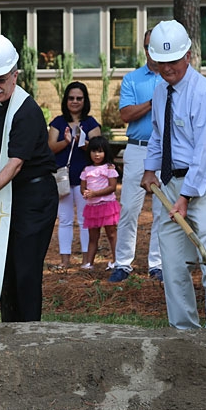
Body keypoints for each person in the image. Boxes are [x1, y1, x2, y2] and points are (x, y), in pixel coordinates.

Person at [140, 20, 206, 330]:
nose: (167, 68)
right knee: (172, 262)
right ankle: (184, 332)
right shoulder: (159, 91)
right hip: (170, 184)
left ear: (189, 56)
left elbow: (205, 154)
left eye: (174, 61)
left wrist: (185, 198)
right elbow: (158, 135)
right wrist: (150, 170)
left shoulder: (205, 94)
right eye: (161, 62)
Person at [0, 35, 58, 322]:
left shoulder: (26, 111)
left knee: (26, 269)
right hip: (9, 194)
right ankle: (9, 329)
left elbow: (15, 163)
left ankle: (29, 332)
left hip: (34, 197)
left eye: (1, 79)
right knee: (4, 265)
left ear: (15, 75)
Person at [109, 29, 165, 283]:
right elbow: (126, 115)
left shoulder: (173, 78)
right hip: (137, 147)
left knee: (162, 209)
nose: (150, 52)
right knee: (130, 208)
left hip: (166, 150)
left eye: (154, 47)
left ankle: (158, 264)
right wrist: (153, 103)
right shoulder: (132, 79)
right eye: (146, 47)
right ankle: (122, 264)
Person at [47, 82, 102, 270]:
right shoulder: (57, 123)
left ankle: (87, 261)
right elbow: (50, 148)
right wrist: (66, 141)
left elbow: (99, 150)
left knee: (85, 220)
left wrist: (83, 143)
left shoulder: (91, 123)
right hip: (63, 179)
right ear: (66, 100)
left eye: (79, 98)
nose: (75, 101)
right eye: (71, 98)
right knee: (64, 219)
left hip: (87, 180)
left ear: (85, 100)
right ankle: (65, 261)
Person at [80, 136, 121, 270]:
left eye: (100, 151)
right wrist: (85, 192)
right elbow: (83, 186)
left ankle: (117, 260)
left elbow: (112, 187)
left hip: (107, 205)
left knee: (111, 233)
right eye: (94, 151)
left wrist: (95, 194)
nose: (97, 155)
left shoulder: (109, 168)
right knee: (93, 236)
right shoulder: (86, 169)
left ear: (106, 153)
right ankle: (89, 263)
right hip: (93, 207)